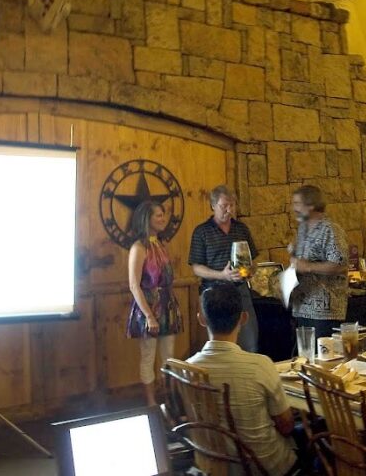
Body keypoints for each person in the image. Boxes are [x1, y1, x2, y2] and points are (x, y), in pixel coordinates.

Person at [188, 284, 298, 476]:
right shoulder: (260, 365)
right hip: (263, 466)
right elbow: (286, 425)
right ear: (244, 318)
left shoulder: (186, 369)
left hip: (212, 465)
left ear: (202, 319)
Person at [188, 185, 259, 352]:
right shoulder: (202, 232)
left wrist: (251, 270)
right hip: (214, 294)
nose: (229, 210)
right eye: (224, 206)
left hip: (240, 291)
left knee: (250, 342)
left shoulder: (241, 229)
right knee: (220, 345)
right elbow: (196, 268)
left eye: (232, 205)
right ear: (213, 206)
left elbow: (254, 260)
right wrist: (222, 275)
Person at [126, 201, 183, 406]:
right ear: (146, 219)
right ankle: (151, 403)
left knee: (169, 357)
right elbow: (134, 285)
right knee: (148, 356)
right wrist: (149, 316)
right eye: (158, 215)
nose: (163, 219)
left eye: (162, 214)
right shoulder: (138, 247)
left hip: (167, 304)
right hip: (148, 306)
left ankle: (168, 401)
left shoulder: (160, 244)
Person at [289, 185, 349, 339]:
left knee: (324, 354)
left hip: (325, 314)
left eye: (297, 203)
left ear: (311, 205)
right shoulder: (302, 229)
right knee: (305, 353)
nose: (294, 208)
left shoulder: (331, 230)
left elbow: (340, 264)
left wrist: (308, 267)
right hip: (302, 308)